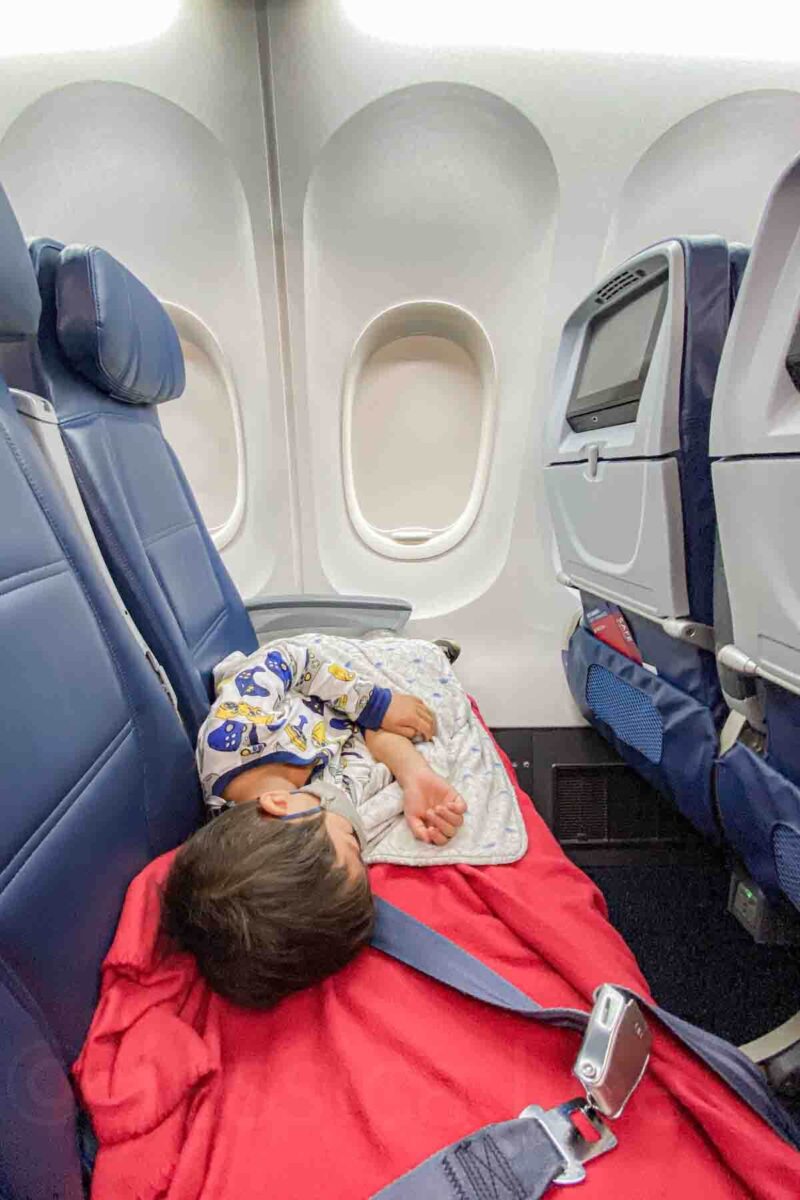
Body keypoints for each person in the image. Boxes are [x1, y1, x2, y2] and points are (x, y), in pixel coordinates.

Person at [161, 639, 466, 1009]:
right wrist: (415, 775)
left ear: (277, 805)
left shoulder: (233, 738)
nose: (354, 825)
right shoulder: (327, 801)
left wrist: (375, 703)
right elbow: (374, 738)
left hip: (320, 673)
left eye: (351, 840)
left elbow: (289, 659)